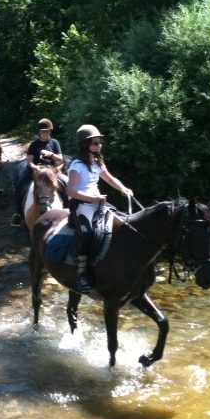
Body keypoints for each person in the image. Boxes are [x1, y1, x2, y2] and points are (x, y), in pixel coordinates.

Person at [66, 124, 133, 293]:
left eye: (100, 142)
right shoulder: (76, 165)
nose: (99, 146)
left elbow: (110, 179)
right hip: (81, 205)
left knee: (124, 222)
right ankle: (81, 274)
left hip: (98, 203)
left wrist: (124, 189)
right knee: (87, 233)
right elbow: (70, 191)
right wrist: (93, 198)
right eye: (95, 143)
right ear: (84, 145)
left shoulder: (97, 162)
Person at [11, 118, 65, 226]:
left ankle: (69, 211)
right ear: (39, 132)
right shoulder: (34, 144)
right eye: (42, 131)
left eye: (47, 131)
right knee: (20, 185)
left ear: (50, 131)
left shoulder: (54, 143)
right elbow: (30, 160)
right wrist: (35, 167)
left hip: (51, 171)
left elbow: (60, 159)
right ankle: (18, 213)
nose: (44, 133)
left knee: (66, 183)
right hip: (36, 170)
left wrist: (51, 155)